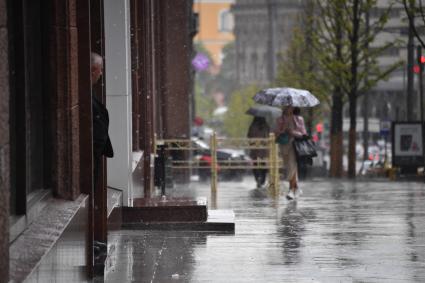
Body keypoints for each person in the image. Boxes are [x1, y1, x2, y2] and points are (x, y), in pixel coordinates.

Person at [91, 52, 113, 271]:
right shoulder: (84, 94)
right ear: (92, 70)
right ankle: (90, 241)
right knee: (90, 194)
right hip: (90, 155)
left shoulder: (90, 93)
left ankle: (92, 239)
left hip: (94, 155)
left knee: (94, 195)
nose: (102, 74)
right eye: (100, 69)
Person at [275, 106, 306, 200]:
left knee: (292, 166)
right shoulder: (280, 119)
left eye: (290, 106)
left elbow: (303, 133)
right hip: (284, 146)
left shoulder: (299, 119)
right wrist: (283, 129)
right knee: (289, 167)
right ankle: (296, 188)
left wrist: (293, 132)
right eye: (286, 106)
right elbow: (276, 132)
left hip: (295, 146)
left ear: (293, 108)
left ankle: (291, 190)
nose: (288, 108)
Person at [247, 116, 270, 188]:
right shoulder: (266, 126)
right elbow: (269, 136)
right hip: (264, 148)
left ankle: (257, 179)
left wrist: (252, 143)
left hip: (255, 149)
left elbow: (248, 136)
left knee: (255, 164)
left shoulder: (252, 126)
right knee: (263, 164)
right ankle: (262, 180)